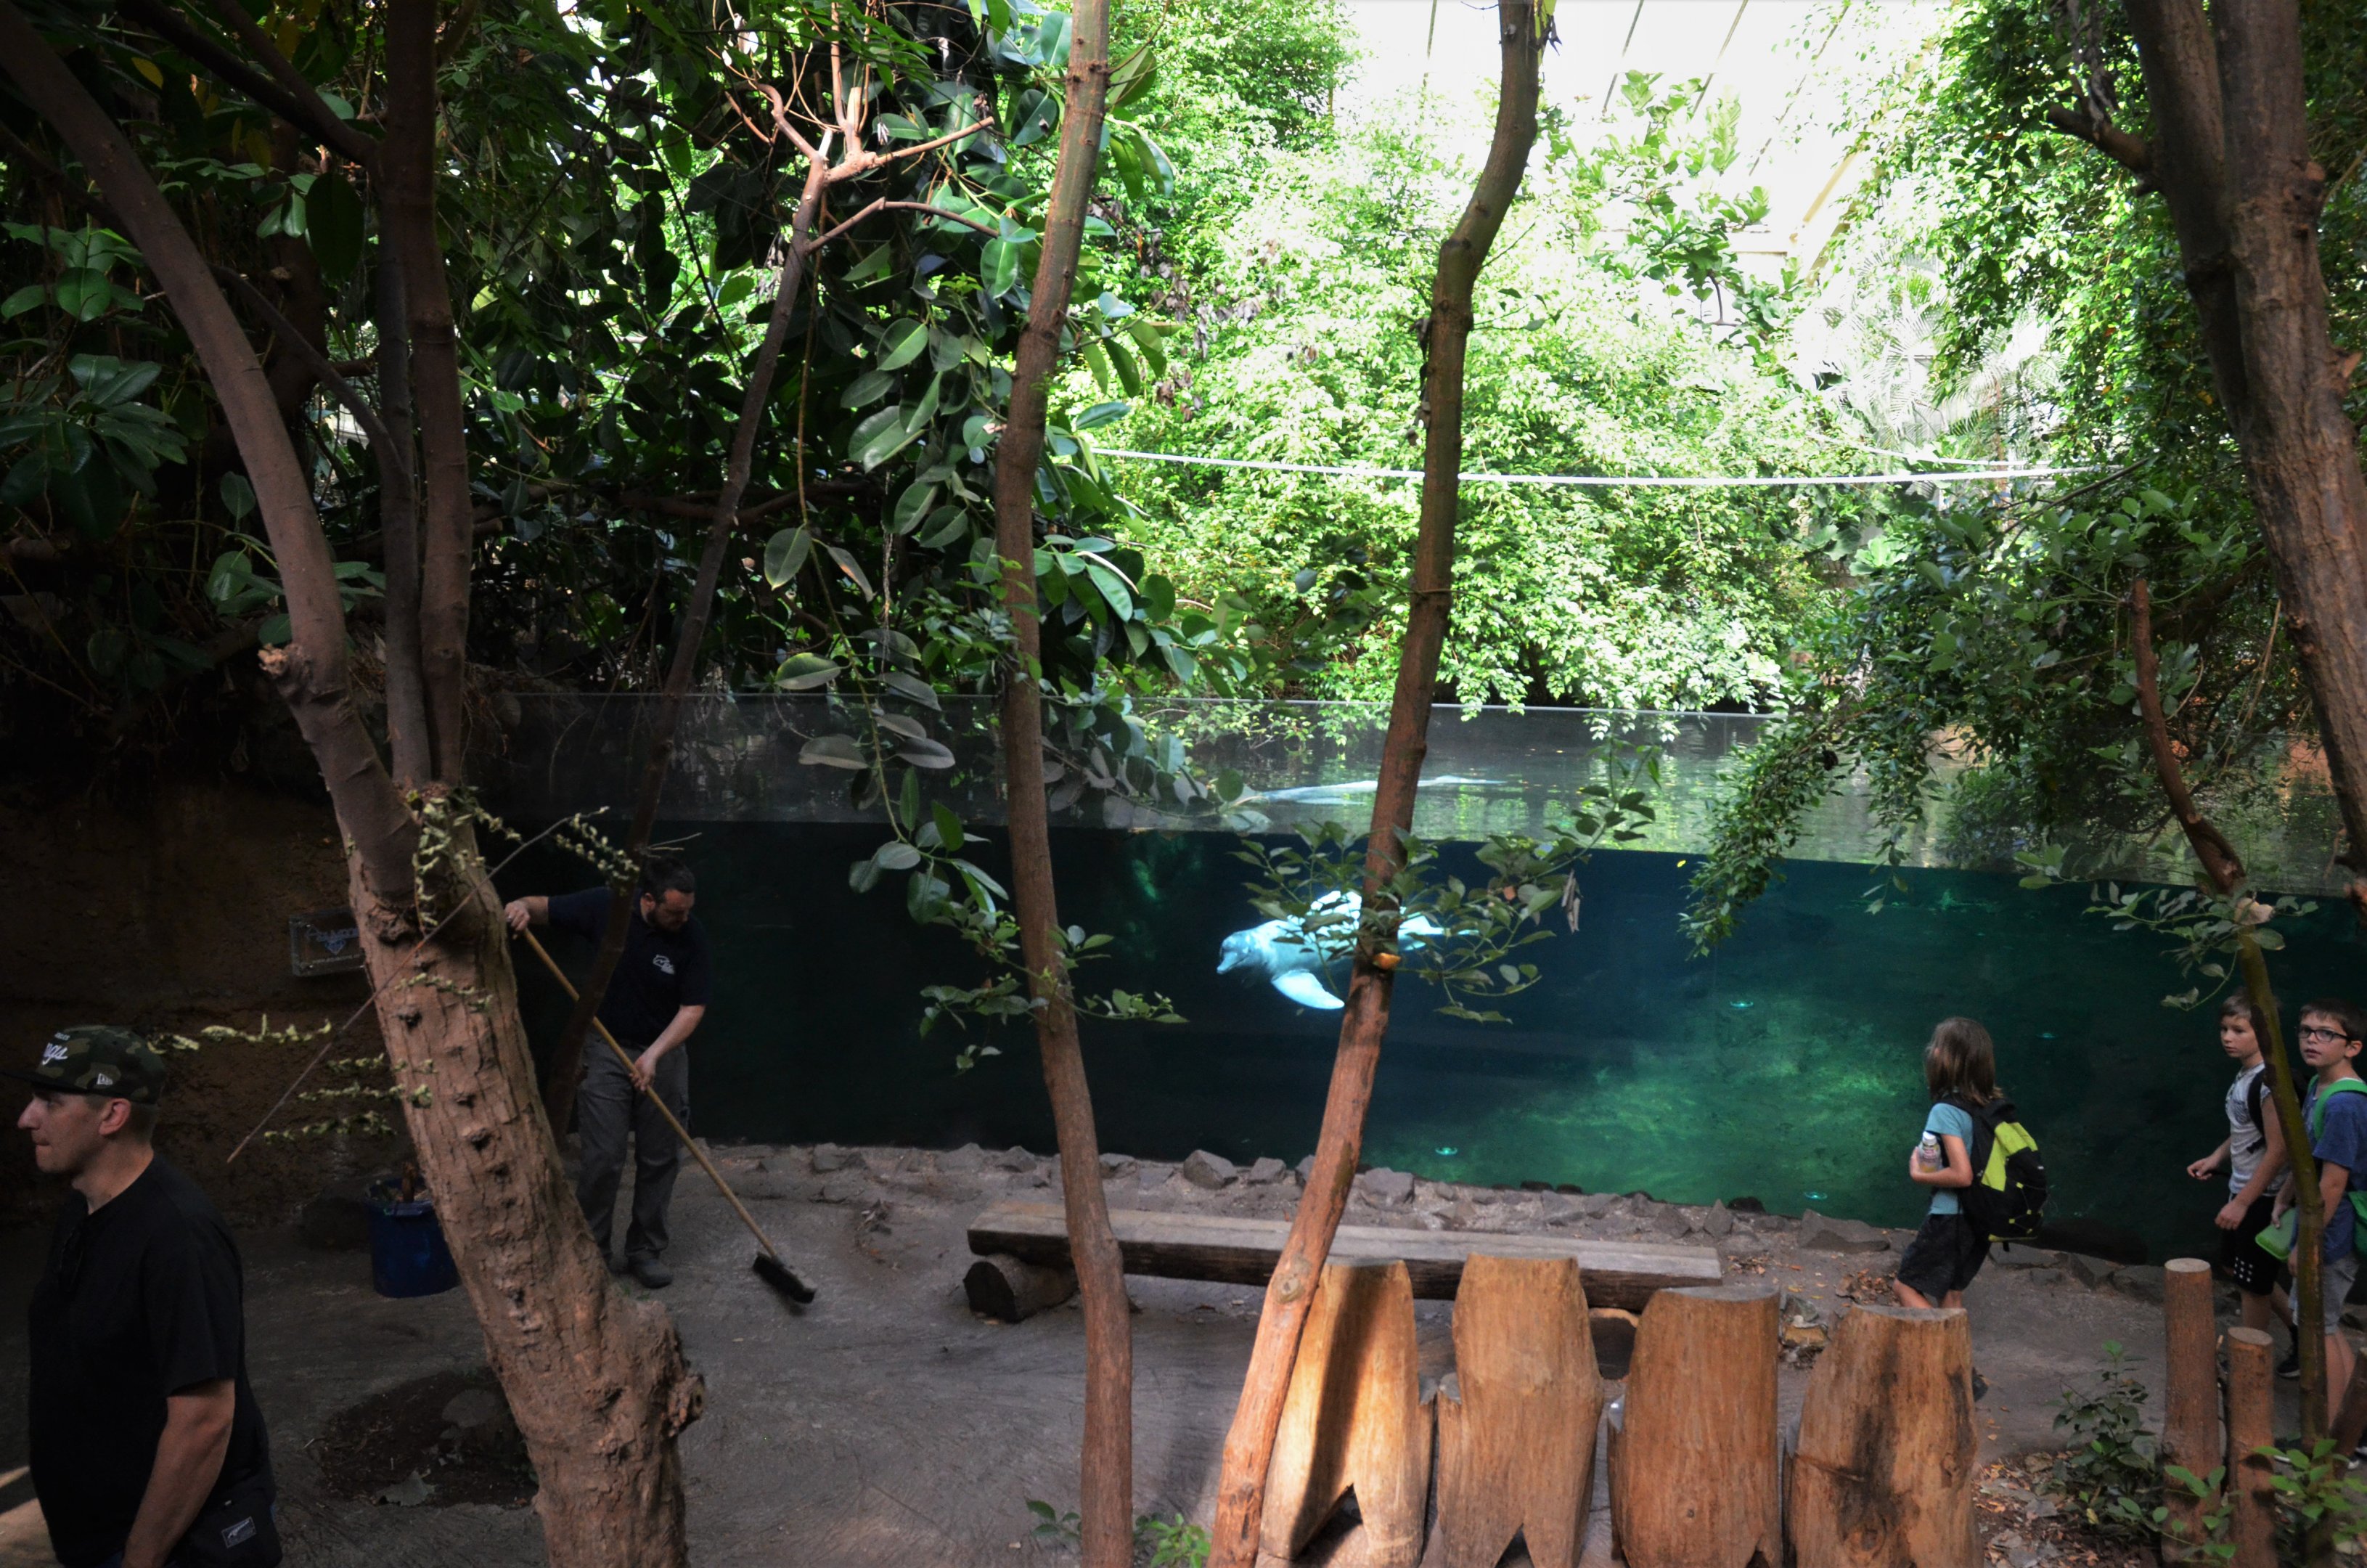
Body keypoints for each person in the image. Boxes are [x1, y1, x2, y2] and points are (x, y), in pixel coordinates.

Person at [8, 1026, 278, 1568]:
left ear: (112, 1116)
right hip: (98, 1532)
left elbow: (203, 1418)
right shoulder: (84, 1205)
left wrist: (141, 1557)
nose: (25, 1118)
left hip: (170, 1546)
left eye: (49, 1102)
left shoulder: (178, 1237)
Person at [505, 859, 710, 1289]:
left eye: (687, 909)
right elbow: (539, 906)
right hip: (605, 1050)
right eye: (674, 911)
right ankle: (591, 1251)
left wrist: (654, 1055)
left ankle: (645, 1250)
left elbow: (692, 1009)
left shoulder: (691, 936)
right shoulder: (607, 908)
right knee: (603, 1157)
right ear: (648, 900)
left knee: (660, 1157)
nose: (683, 918)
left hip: (665, 1052)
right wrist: (520, 907)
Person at [2273, 996, 2367, 1426]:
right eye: (2307, 1031)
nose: (2313, 1039)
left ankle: (2331, 1438)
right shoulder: (2318, 1086)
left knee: (2320, 1327)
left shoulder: (2347, 1103)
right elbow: (2310, 1154)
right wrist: (2285, 1194)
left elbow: (2334, 1181)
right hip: (2322, 1222)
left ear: (2353, 1047)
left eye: (2326, 1033)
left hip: (2334, 1231)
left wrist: (2306, 1246)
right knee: (2326, 1326)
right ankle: (2352, 1426)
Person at [2186, 993, 2292, 1357]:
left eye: (2238, 1030)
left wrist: (2242, 1204)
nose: (2227, 1037)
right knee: (2239, 1269)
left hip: (2261, 1197)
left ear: (2264, 1033)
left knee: (2253, 1286)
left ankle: (2250, 1360)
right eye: (2224, 1029)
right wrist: (2216, 1157)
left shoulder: (2269, 1082)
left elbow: (2279, 1149)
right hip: (2242, 1188)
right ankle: (2298, 1329)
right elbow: (2245, 1127)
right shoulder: (2248, 1074)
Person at [1895, 1016, 1997, 1320]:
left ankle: (1942, 1357)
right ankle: (1957, 1366)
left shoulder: (1945, 1111)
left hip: (1951, 1218)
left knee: (1905, 1287)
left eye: (1939, 1047)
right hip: (1981, 1218)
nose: (1933, 1052)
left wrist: (1918, 1174)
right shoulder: (1989, 1106)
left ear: (1951, 1059)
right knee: (1952, 1296)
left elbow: (1962, 1174)